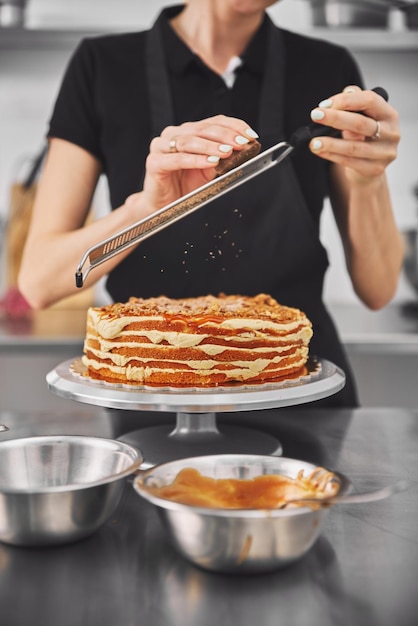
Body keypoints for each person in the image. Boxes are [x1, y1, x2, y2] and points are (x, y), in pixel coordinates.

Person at [18, 1, 404, 407]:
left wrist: (368, 178)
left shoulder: (327, 68)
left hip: (299, 391)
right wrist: (150, 205)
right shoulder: (102, 66)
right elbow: (39, 283)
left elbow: (378, 290)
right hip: (151, 394)